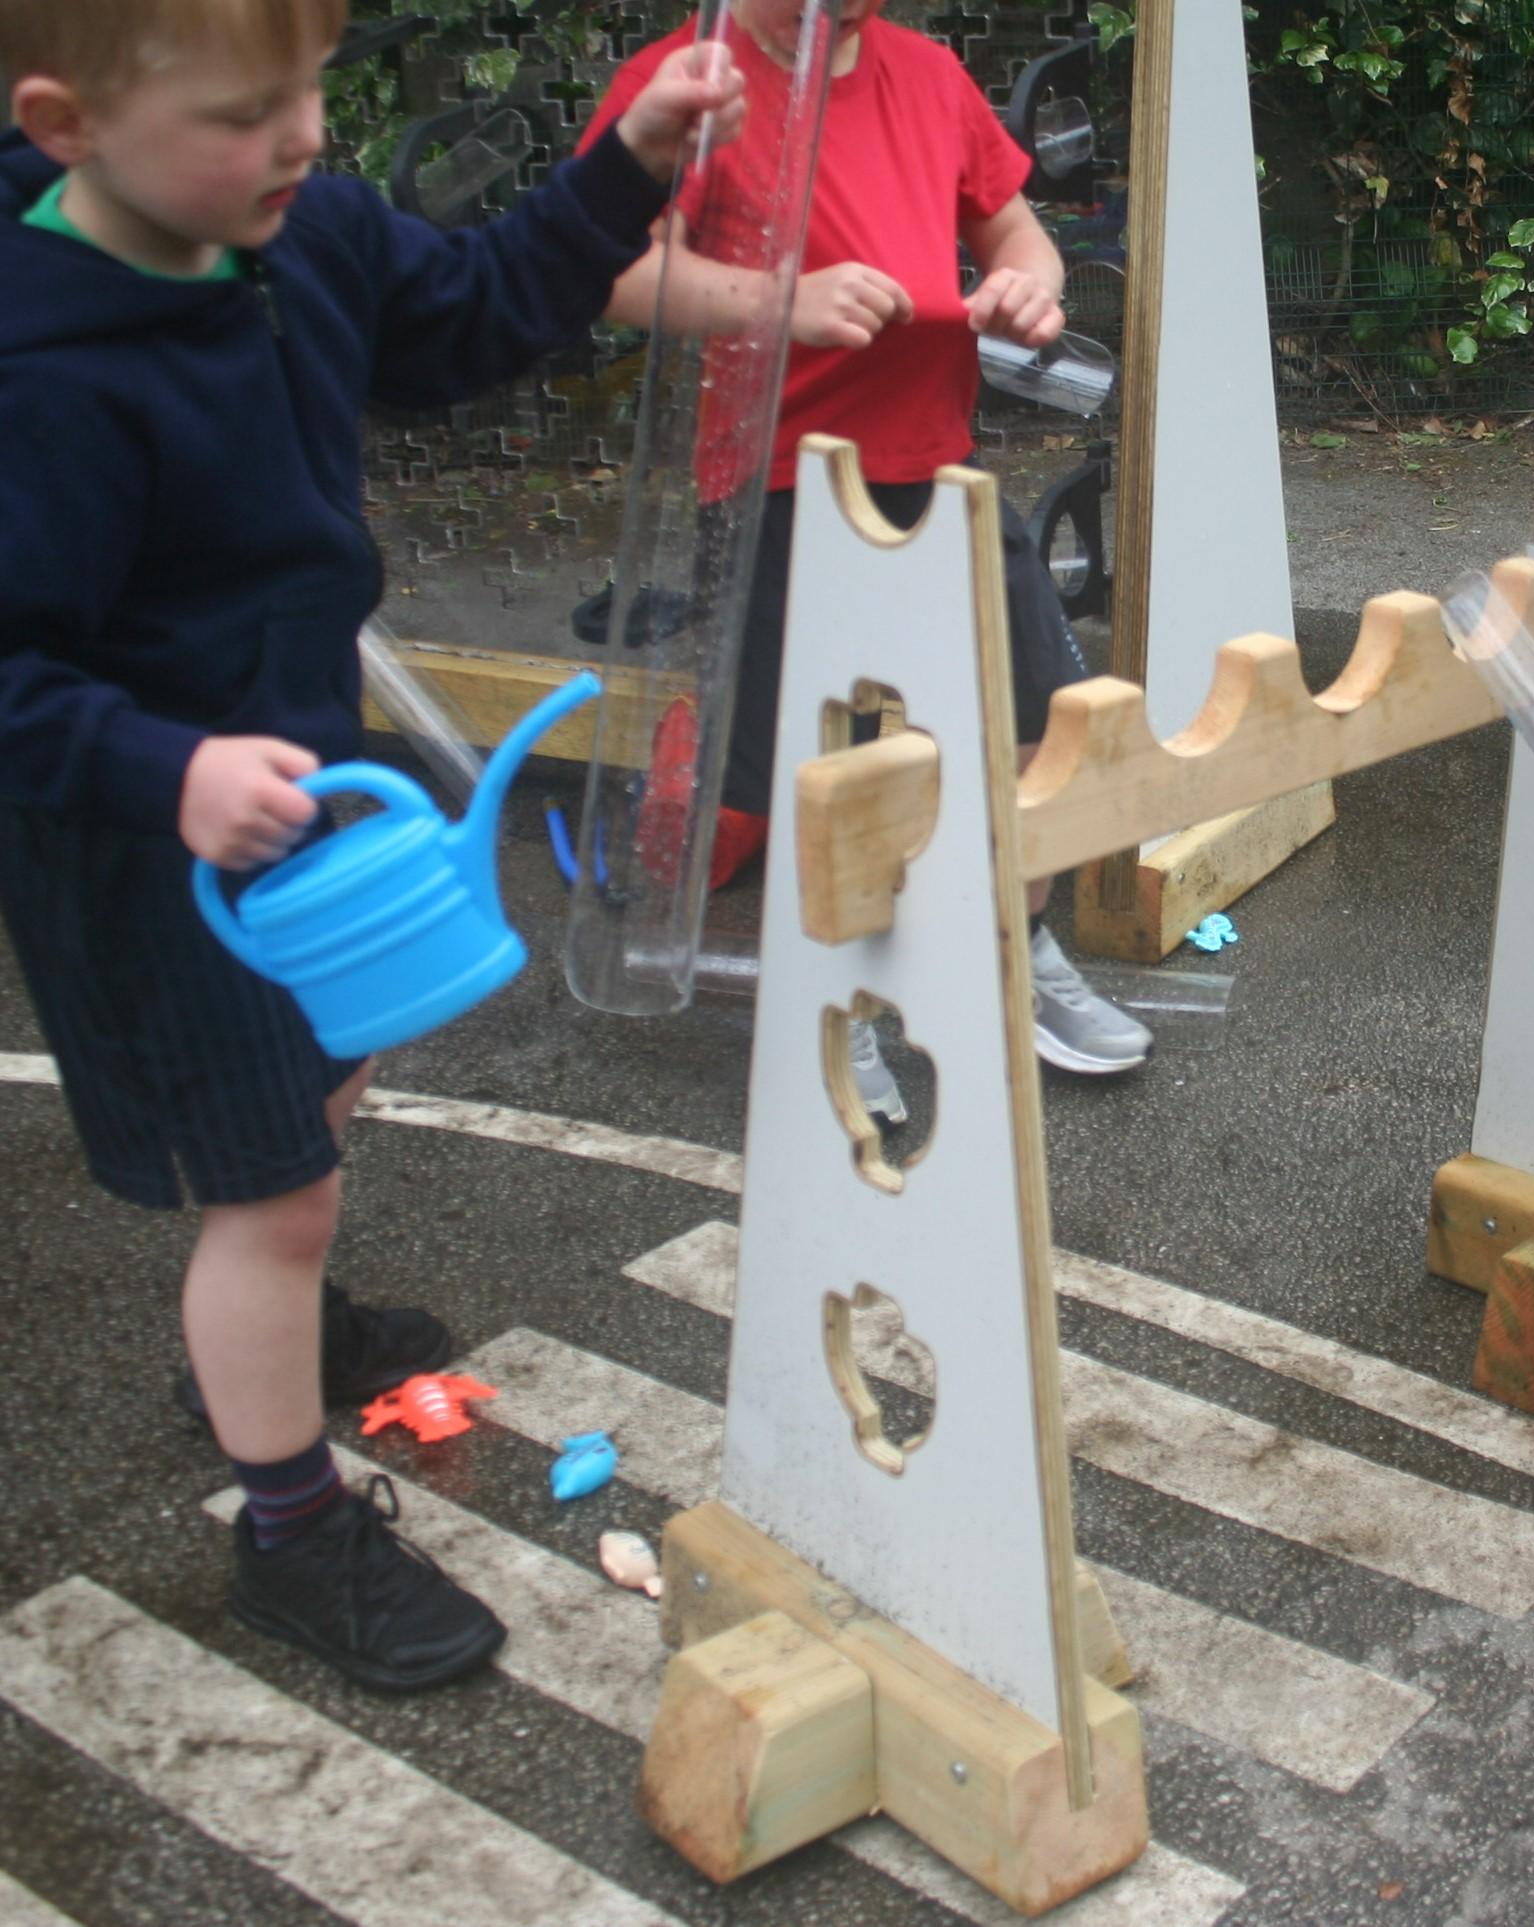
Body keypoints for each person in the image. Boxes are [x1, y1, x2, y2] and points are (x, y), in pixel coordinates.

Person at [0, 0, 741, 1686]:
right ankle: (289, 1526)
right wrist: (163, 767)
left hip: (302, 788)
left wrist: (621, 171)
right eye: (246, 111)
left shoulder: (295, 226)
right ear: (65, 127)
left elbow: (467, 314)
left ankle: (270, 1329)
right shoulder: (34, 367)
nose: (306, 137)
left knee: (329, 1080)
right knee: (274, 1192)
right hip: (143, 845)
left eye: (314, 89)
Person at [582, 0, 1154, 1084]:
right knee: (822, 777)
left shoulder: (927, 74)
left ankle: (1014, 959)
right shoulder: (688, 83)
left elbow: (1014, 229)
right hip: (778, 483)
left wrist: (1031, 285)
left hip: (938, 466)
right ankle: (841, 1012)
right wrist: (775, 299)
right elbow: (608, 272)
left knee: (1031, 737)